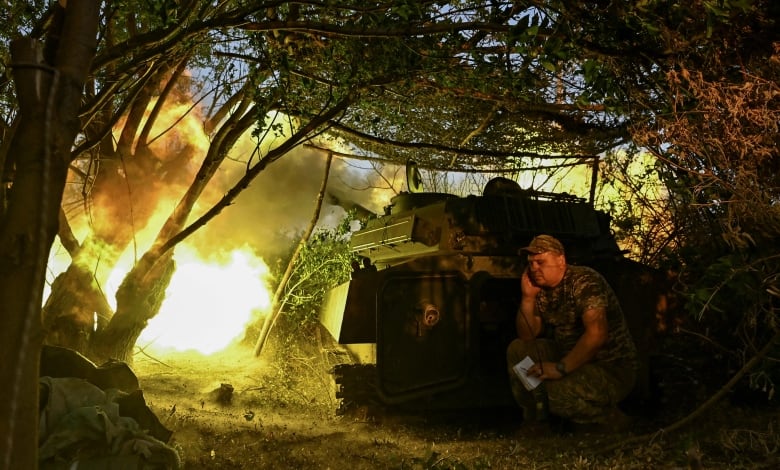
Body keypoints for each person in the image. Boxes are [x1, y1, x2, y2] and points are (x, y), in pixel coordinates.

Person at [507, 234, 638, 432]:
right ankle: (536, 419)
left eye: (540, 261)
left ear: (561, 260)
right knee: (517, 350)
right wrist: (527, 298)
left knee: (552, 393)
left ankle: (611, 420)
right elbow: (527, 336)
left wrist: (560, 368)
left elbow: (597, 334)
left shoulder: (584, 281)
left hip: (610, 367)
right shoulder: (539, 289)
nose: (534, 268)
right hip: (570, 358)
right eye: (531, 263)